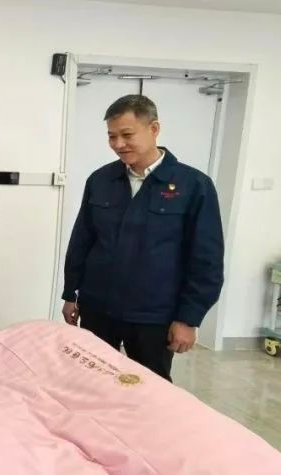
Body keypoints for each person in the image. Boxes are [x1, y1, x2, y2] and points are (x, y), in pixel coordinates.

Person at [61, 94, 224, 381]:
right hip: (98, 307)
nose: (118, 144)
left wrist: (188, 318)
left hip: (154, 315)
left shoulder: (193, 185)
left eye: (127, 135)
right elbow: (82, 242)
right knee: (91, 382)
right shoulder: (100, 180)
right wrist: (70, 294)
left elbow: (206, 260)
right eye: (111, 136)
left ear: (154, 129)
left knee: (150, 388)